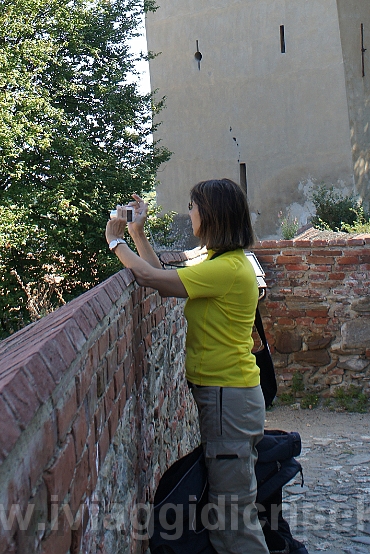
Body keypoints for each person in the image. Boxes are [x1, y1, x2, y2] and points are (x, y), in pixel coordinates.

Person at [105, 178, 269, 554]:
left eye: (193, 207)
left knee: (232, 518)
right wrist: (137, 233)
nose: (190, 214)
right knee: (230, 507)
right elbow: (165, 279)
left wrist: (116, 242)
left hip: (230, 399)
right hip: (230, 396)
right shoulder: (222, 262)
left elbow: (148, 278)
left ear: (210, 215)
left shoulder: (226, 269)